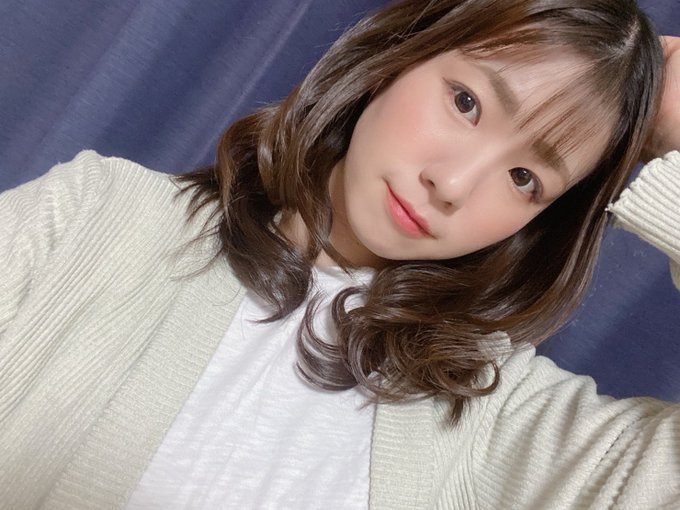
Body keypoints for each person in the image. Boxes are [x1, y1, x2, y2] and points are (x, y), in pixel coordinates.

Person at [0, 0, 678, 508]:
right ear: (401, 57)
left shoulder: (496, 415)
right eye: (466, 102)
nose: (452, 184)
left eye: (525, 178)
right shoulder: (99, 218)